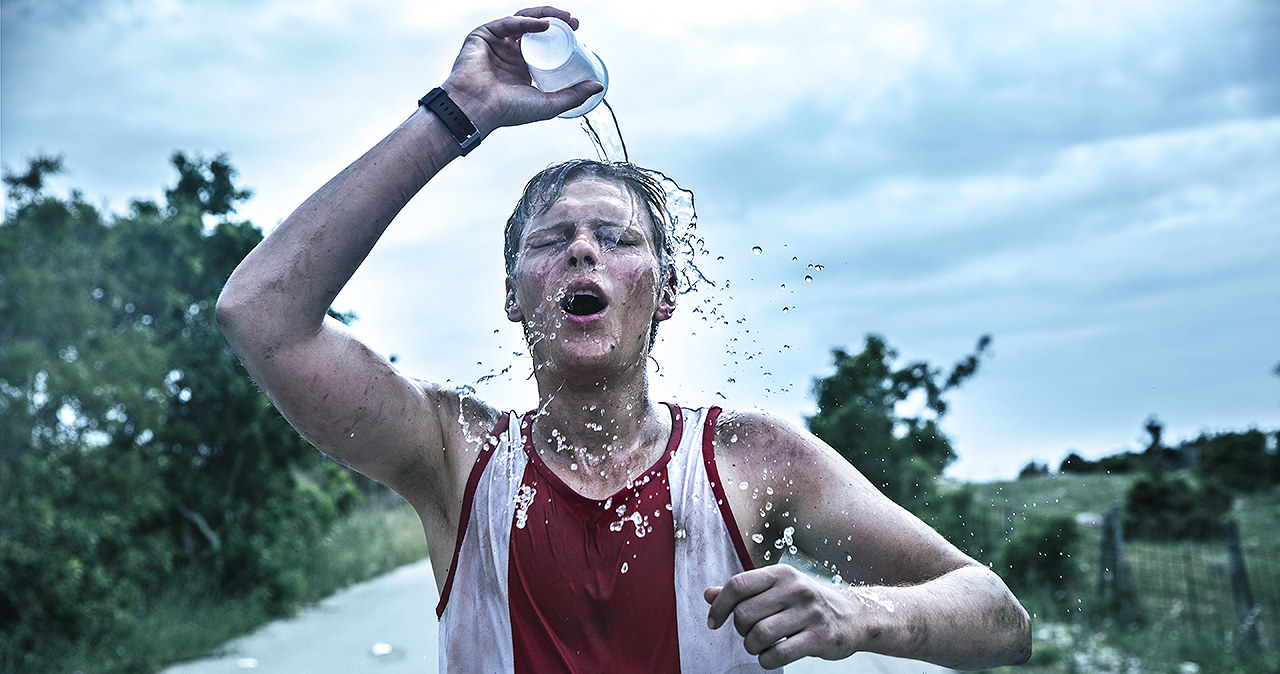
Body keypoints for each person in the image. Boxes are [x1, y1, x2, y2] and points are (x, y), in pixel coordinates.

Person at [216, 7, 1032, 673]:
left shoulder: (751, 457)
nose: (581, 250)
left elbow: (1000, 619)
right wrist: (457, 112)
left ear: (667, 293)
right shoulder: (454, 454)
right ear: (513, 295)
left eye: (616, 236)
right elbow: (260, 313)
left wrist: (859, 609)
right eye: (550, 240)